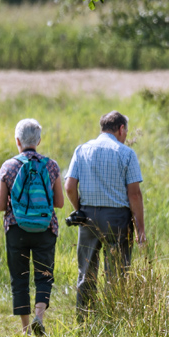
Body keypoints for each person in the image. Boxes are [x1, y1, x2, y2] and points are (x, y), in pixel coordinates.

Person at [65, 110, 145, 316]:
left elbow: (69, 187)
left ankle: (85, 318)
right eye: (125, 131)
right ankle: (114, 317)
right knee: (117, 272)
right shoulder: (126, 153)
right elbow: (134, 194)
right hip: (117, 219)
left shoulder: (81, 150)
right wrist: (140, 228)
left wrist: (79, 209)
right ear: (120, 129)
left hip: (88, 217)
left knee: (86, 272)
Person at [0, 119, 65, 336]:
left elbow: (0, 205)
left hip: (16, 229)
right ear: (39, 140)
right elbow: (60, 203)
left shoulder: (8, 166)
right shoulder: (51, 165)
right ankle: (39, 317)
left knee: (20, 276)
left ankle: (26, 329)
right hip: (45, 228)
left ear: (17, 141)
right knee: (44, 275)